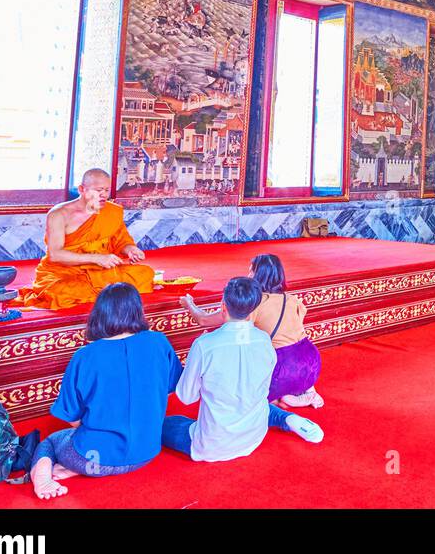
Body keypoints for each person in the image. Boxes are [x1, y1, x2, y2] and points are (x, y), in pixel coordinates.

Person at [30, 284, 182, 500]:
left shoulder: (85, 355)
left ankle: (42, 477)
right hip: (146, 453)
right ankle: (79, 467)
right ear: (138, 311)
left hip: (93, 457)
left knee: (51, 441)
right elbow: (168, 390)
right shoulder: (159, 341)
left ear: (99, 313)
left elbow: (71, 417)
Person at [164, 277, 323, 463]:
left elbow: (186, 397)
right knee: (256, 403)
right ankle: (288, 420)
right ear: (253, 311)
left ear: (223, 306)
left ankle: (287, 419)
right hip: (255, 435)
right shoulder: (264, 340)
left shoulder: (204, 345)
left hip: (212, 445)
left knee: (165, 425)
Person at [183, 254, 323, 408]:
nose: (248, 275)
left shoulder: (255, 302)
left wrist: (189, 304)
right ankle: (301, 392)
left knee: (247, 394)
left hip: (284, 368)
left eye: (250, 272)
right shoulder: (293, 300)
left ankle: (280, 400)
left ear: (258, 275)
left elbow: (204, 320)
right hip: (312, 363)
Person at [18, 169, 155, 310]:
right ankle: (108, 292)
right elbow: (55, 255)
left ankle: (104, 291)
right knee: (57, 292)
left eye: (107, 190)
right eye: (98, 190)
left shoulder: (112, 211)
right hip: (65, 272)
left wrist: (130, 249)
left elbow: (120, 240)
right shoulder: (59, 214)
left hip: (100, 270)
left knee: (145, 273)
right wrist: (97, 259)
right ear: (82, 189)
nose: (104, 195)